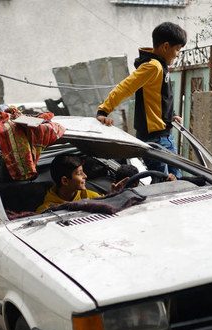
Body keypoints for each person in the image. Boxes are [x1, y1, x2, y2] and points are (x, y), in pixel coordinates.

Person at [96, 22, 187, 178]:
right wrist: (104, 110)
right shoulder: (153, 66)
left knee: (176, 180)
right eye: (177, 49)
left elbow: (160, 98)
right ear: (166, 46)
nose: (178, 54)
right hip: (155, 138)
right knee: (163, 183)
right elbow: (125, 87)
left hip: (164, 135)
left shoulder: (160, 66)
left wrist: (171, 115)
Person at [36, 155, 127, 213]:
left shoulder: (90, 196)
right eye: (80, 173)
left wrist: (113, 195)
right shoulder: (46, 210)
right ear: (65, 181)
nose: (85, 176)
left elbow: (106, 205)